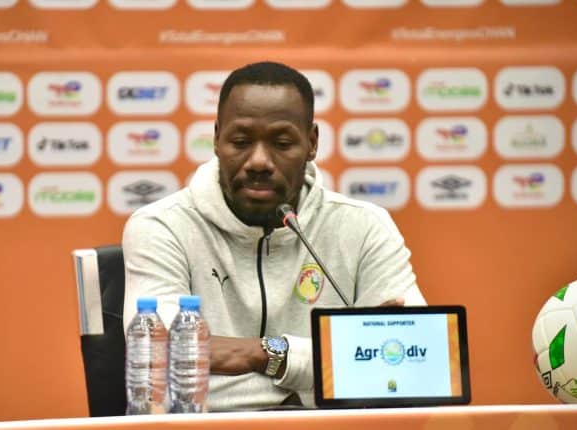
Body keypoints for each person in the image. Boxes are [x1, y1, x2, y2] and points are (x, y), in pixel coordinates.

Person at [121, 61, 425, 411]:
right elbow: (160, 357)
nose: (259, 161)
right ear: (217, 139)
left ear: (311, 143)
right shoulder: (162, 226)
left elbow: (409, 359)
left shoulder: (364, 227)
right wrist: (340, 357)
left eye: (281, 143)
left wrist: (257, 354)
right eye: (240, 141)